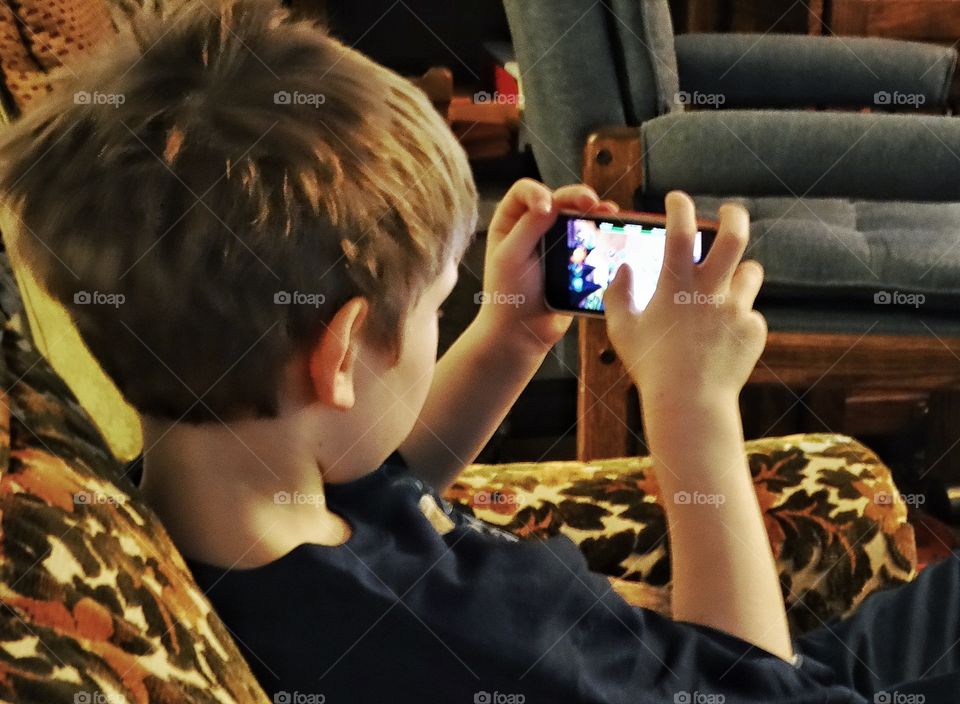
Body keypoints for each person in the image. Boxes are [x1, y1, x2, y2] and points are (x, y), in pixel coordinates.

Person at [0, 2, 956, 702]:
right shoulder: (449, 641)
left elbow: (383, 472)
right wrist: (691, 406)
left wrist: (508, 332)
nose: (443, 322)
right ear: (338, 354)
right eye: (432, 309)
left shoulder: (232, 500)